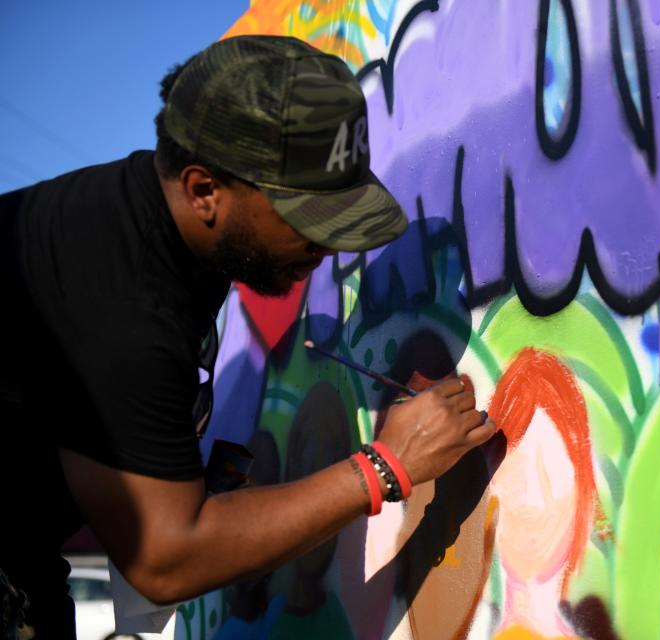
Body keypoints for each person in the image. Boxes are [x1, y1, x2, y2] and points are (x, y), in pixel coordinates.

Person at [0, 35, 494, 639]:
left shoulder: (165, 234)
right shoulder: (119, 296)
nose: (329, 247)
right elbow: (164, 559)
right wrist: (385, 466)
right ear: (204, 189)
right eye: (307, 219)